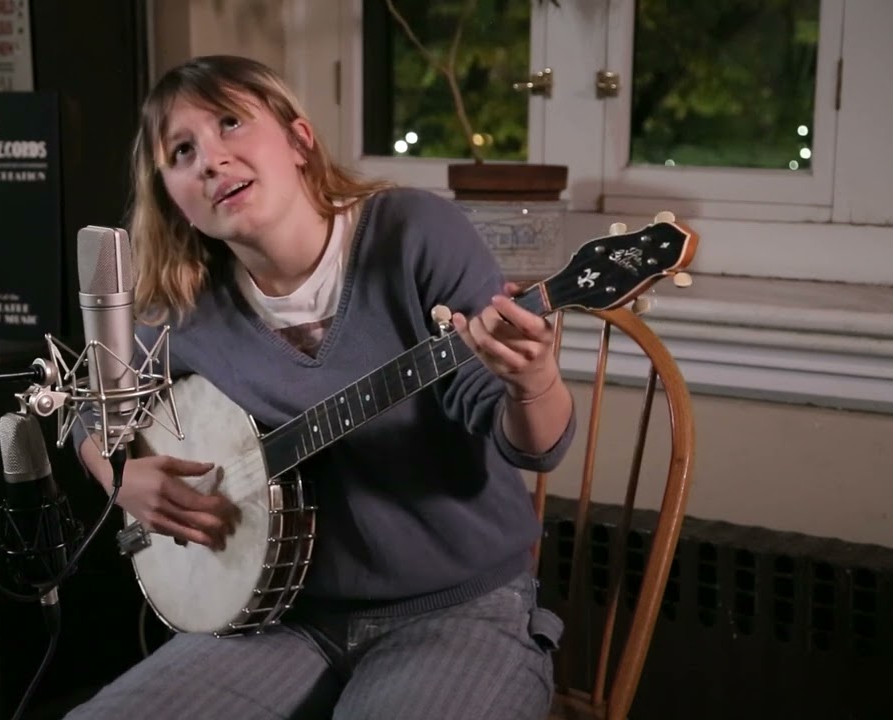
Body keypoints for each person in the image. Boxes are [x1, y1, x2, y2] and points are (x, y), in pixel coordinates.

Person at [66, 54, 575, 720]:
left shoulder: (413, 235)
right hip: (275, 619)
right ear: (174, 200)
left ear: (300, 140)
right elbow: (90, 409)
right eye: (182, 152)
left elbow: (535, 448)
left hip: (458, 610)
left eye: (230, 123)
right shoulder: (182, 308)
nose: (211, 160)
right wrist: (120, 478)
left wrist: (531, 381)